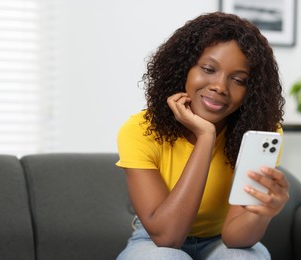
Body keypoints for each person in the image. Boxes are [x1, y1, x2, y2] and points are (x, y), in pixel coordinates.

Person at [116, 12, 289, 260]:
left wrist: (263, 211)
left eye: (238, 80)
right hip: (153, 239)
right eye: (208, 69)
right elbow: (167, 237)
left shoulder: (261, 133)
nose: (220, 86)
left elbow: (235, 238)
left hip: (221, 241)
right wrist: (206, 137)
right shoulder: (140, 130)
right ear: (183, 69)